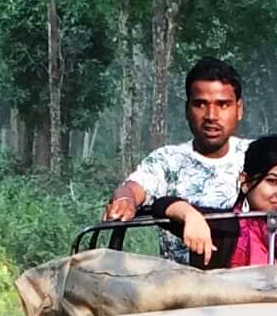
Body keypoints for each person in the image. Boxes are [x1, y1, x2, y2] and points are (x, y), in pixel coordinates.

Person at [103, 58, 248, 240]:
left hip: (250, 269)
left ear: (239, 109)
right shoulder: (167, 160)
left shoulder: (258, 155)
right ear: (187, 109)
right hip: (174, 269)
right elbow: (132, 188)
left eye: (223, 104)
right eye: (200, 104)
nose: (211, 116)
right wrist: (124, 201)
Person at [159, 134, 277, 266]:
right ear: (246, 182)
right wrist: (189, 216)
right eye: (272, 181)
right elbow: (159, 207)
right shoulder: (223, 226)